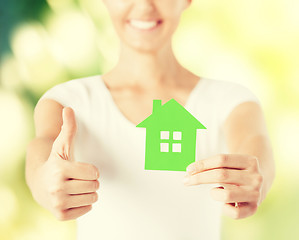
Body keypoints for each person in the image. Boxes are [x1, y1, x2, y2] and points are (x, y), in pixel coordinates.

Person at [25, 0, 275, 239]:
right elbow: (41, 150)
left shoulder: (230, 101)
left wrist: (255, 180)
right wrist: (42, 180)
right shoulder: (67, 101)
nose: (145, 5)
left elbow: (254, 147)